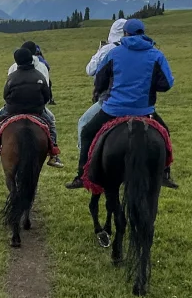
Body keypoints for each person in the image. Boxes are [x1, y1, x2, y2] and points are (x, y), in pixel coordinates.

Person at [65, 19, 177, 190]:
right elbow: (166, 84)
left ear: (125, 33)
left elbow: (100, 80)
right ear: (143, 33)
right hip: (144, 110)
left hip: (113, 109)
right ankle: (164, 173)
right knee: (165, 133)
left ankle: (82, 175)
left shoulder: (113, 53)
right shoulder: (156, 55)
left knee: (87, 132)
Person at [0, 40, 64, 166]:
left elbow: (5, 95)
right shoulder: (41, 71)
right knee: (51, 122)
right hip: (36, 109)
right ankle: (53, 153)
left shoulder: (12, 73)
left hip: (13, 109)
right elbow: (47, 94)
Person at [75, 18, 128, 162]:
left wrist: (98, 52)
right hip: (139, 101)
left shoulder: (108, 49)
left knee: (84, 124)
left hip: (109, 99)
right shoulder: (139, 49)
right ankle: (165, 170)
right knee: (162, 130)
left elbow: (90, 70)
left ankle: (84, 165)